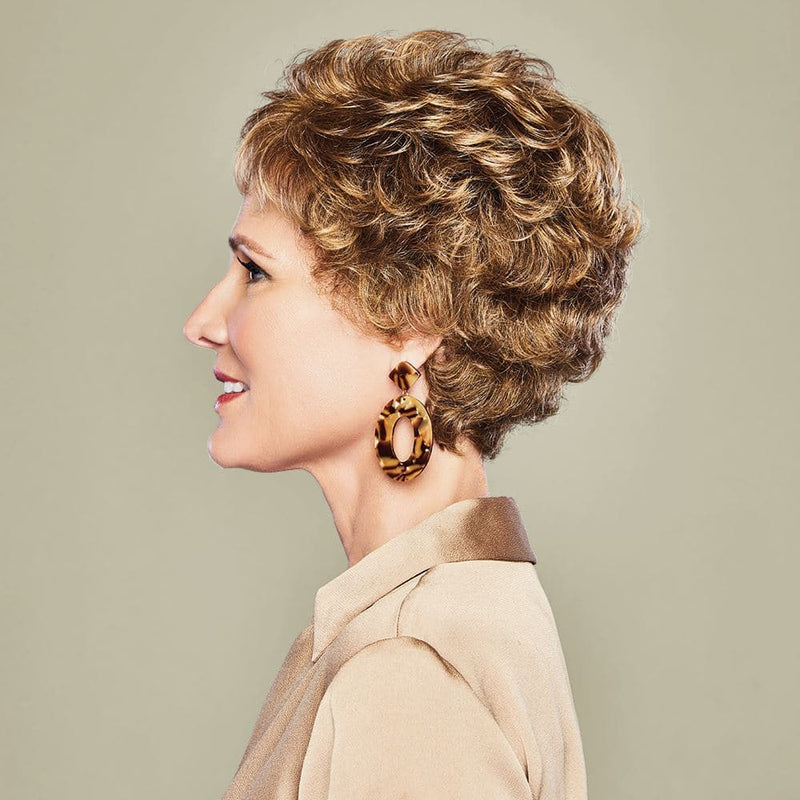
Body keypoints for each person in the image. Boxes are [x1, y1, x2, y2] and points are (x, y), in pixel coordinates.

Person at [183, 28, 642, 800]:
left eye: (254, 271)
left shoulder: (406, 666)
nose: (202, 321)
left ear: (411, 318)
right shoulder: (453, 612)